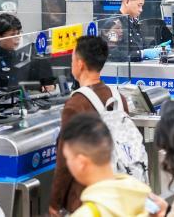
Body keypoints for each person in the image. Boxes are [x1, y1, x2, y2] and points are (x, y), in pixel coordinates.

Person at [50, 36, 130, 217]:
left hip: (87, 196)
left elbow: (65, 159)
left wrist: (55, 201)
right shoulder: (118, 98)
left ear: (80, 64)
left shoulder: (76, 104)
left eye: (72, 58)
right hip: (118, 192)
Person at [58, 113, 162, 217]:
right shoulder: (145, 197)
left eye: (68, 158)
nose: (67, 163)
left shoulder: (85, 214)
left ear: (81, 162)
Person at [0, 14, 55, 92]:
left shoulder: (24, 57)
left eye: (18, 33)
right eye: (12, 35)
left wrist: (48, 84)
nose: (18, 37)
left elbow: (45, 82)